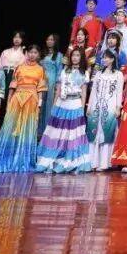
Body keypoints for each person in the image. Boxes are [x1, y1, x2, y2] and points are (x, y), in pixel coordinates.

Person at [0, 44, 48, 173]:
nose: (32, 55)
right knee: (11, 128)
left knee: (27, 129)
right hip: (17, 99)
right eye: (30, 52)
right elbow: (12, 86)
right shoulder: (19, 67)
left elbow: (41, 89)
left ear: (38, 55)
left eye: (35, 53)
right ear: (27, 53)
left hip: (31, 100)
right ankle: (6, 159)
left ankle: (22, 160)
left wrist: (39, 104)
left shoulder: (40, 69)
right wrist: (9, 102)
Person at [35, 46, 92, 174]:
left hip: (75, 103)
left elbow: (84, 93)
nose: (75, 58)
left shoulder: (84, 73)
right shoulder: (64, 71)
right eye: (73, 55)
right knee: (57, 132)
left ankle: (71, 160)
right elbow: (58, 90)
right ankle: (55, 157)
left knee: (73, 134)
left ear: (81, 58)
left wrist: (82, 108)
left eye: (77, 55)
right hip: (62, 103)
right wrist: (54, 105)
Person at [86, 49, 124, 172]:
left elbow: (119, 92)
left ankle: (104, 162)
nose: (104, 60)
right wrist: (89, 106)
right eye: (103, 57)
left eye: (107, 57)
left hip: (110, 106)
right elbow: (93, 91)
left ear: (112, 59)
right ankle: (93, 161)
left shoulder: (118, 74)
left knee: (107, 132)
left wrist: (118, 107)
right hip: (97, 105)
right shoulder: (98, 74)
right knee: (94, 132)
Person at [39, 33, 65, 138]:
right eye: (48, 39)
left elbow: (59, 71)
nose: (49, 41)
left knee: (49, 106)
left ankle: (47, 132)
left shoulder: (59, 55)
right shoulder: (42, 54)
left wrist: (57, 86)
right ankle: (38, 132)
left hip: (52, 82)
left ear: (55, 42)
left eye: (52, 40)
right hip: (41, 81)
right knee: (40, 105)